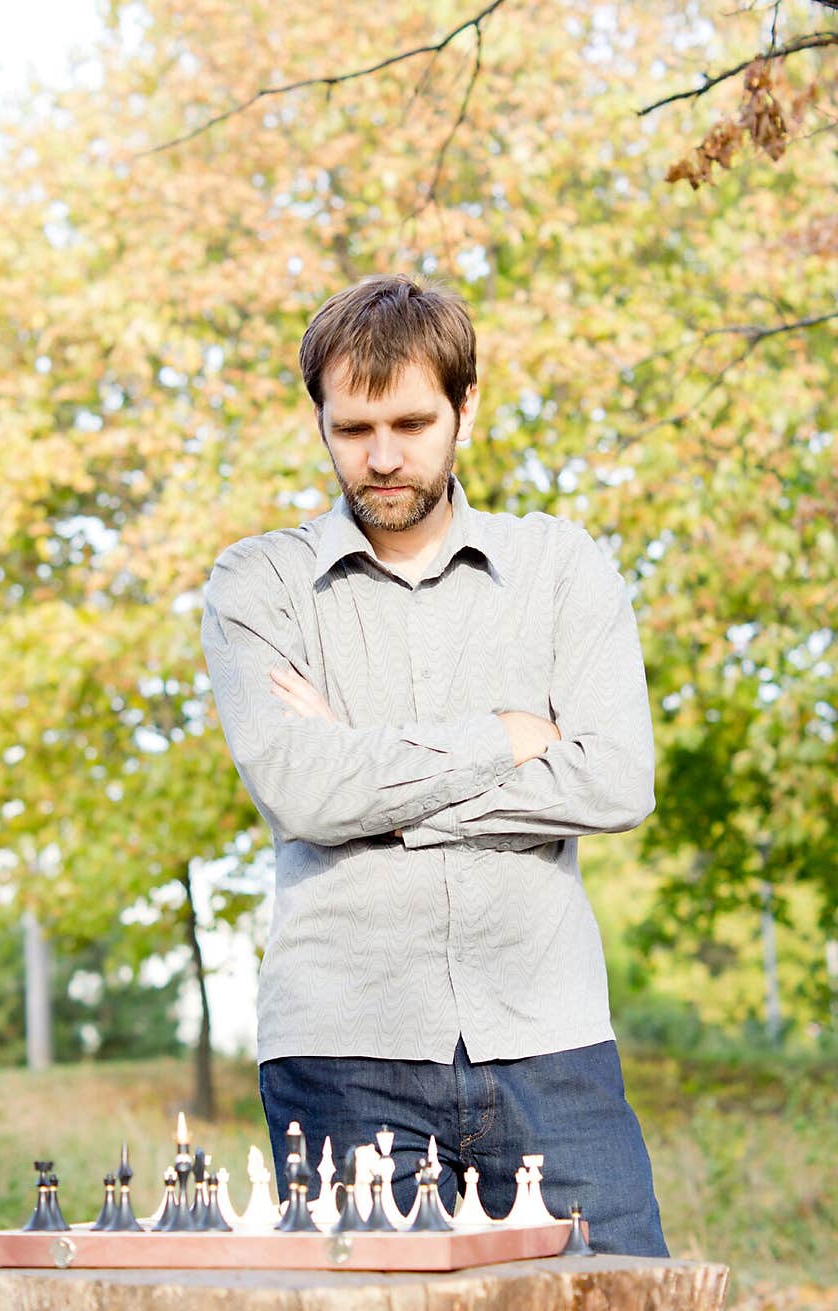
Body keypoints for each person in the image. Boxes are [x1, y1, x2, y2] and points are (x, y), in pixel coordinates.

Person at [201, 274, 668, 1255]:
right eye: (351, 427)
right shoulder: (260, 583)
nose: (380, 456)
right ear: (319, 421)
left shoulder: (558, 567)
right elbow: (301, 788)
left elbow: (617, 779)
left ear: (466, 407)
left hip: (549, 1037)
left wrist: (380, 794)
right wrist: (502, 733)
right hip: (341, 1048)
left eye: (411, 421)